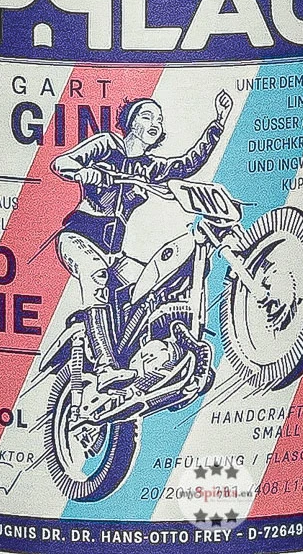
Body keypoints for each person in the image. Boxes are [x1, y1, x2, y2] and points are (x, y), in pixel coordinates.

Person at [51, 90, 233, 392]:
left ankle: (139, 355)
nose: (155, 123)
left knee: (152, 285)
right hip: (79, 238)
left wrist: (219, 123)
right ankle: (106, 366)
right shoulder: (107, 145)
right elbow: (62, 163)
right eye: (147, 116)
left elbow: (187, 164)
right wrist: (90, 174)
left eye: (159, 120)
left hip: (115, 254)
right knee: (96, 274)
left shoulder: (150, 168)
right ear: (130, 122)